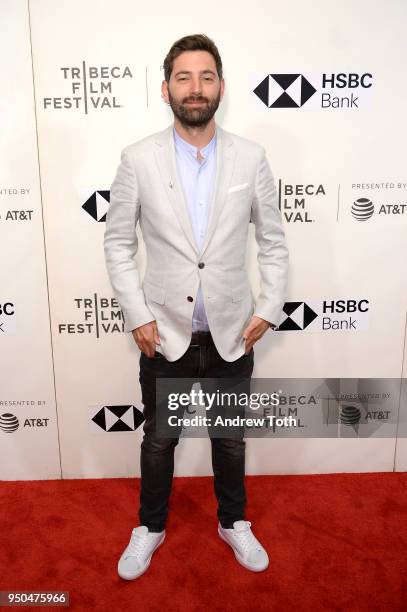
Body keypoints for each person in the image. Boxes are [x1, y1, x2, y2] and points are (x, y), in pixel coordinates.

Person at [104, 33, 289, 580]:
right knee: (160, 439)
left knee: (230, 440)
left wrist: (270, 305)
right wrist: (137, 314)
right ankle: (151, 527)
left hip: (233, 332)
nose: (195, 87)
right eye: (183, 77)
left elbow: (273, 240)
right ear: (165, 89)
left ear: (222, 87)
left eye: (206, 76)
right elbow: (118, 243)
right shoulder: (137, 159)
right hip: (164, 334)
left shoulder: (251, 157)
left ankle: (233, 522)